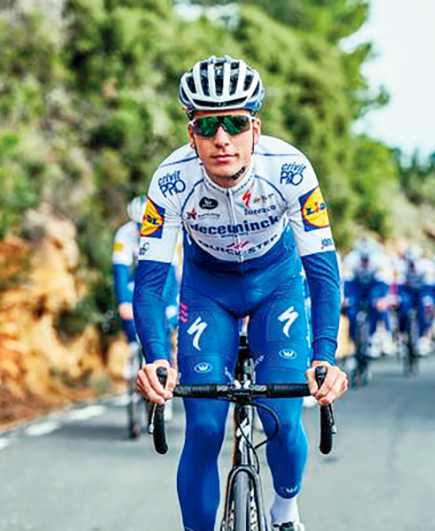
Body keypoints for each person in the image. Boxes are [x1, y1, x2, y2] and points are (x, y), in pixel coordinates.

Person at [132, 55, 348, 531]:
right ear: (191, 134)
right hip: (208, 292)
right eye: (208, 125)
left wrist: (326, 356)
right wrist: (154, 358)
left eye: (234, 123)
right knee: (206, 430)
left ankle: (285, 512)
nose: (221, 138)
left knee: (283, 422)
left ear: (255, 127)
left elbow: (323, 273)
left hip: (279, 286)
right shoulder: (170, 181)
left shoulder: (291, 169)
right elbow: (148, 283)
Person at [113, 195, 180, 416]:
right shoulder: (124, 234)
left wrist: (170, 307)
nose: (142, 230)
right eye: (138, 226)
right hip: (139, 280)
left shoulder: (169, 231)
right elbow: (120, 272)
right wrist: (124, 302)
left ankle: (165, 385)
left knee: (165, 326)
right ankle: (133, 347)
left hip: (168, 284)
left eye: (145, 226)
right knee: (131, 303)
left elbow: (172, 276)